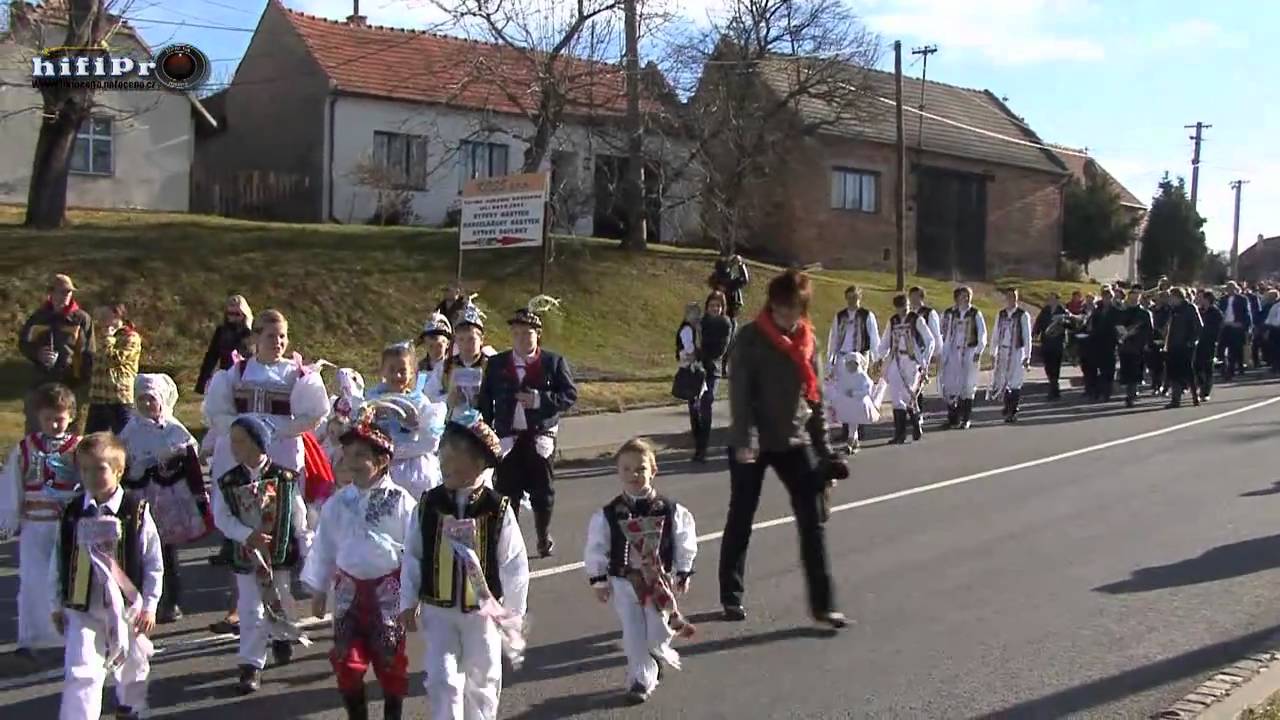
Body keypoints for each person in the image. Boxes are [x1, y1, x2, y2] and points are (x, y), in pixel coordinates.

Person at [721, 269, 846, 628]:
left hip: (793, 439)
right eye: (781, 309)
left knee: (812, 521)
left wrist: (825, 452)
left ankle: (824, 606)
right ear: (771, 305)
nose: (787, 316)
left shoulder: (808, 342)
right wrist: (747, 441)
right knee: (742, 515)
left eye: (794, 309)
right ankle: (731, 594)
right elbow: (741, 397)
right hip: (754, 440)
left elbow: (815, 400)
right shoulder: (751, 339)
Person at [399, 412, 529, 720]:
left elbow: (514, 564)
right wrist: (408, 600)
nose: (445, 465)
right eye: (443, 458)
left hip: (482, 613)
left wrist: (513, 611)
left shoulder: (497, 509)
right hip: (438, 610)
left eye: (453, 459)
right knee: (442, 677)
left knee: (483, 677)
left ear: (477, 464)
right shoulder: (429, 505)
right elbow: (413, 554)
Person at [302, 420, 416, 720]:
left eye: (359, 456)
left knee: (390, 659)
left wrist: (413, 597)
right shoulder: (338, 503)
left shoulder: (401, 501)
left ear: (382, 461)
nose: (349, 462)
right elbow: (324, 546)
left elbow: (416, 551)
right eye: (346, 454)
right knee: (346, 662)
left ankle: (393, 714)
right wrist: (318, 588)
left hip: (388, 591)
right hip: (348, 592)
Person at [51, 433, 162, 720]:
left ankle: (131, 708)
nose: (90, 476)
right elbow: (58, 559)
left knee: (134, 665)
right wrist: (57, 603)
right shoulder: (73, 512)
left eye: (99, 468)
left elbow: (152, 561)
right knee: (82, 668)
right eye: (84, 469)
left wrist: (149, 604)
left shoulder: (136, 511)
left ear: (118, 470)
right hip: (83, 607)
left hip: (128, 608)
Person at [583, 438, 696, 705]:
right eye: (626, 468)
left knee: (658, 630)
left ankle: (656, 653)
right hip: (624, 581)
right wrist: (599, 580)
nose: (634, 474)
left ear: (653, 471)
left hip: (660, 582)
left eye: (640, 468)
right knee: (633, 633)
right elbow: (596, 546)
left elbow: (684, 539)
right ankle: (640, 679)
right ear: (618, 472)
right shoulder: (609, 514)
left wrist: (683, 571)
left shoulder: (670, 510)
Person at [211, 415, 312, 694]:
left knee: (282, 596)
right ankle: (250, 665)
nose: (234, 447)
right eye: (233, 441)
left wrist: (306, 547)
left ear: (259, 443)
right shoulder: (229, 481)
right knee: (250, 608)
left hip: (278, 554)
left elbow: (298, 515)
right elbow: (221, 516)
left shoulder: (285, 477)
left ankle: (280, 635)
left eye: (240, 441)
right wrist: (247, 535)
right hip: (246, 556)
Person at [476, 300, 578, 558]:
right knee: (507, 492)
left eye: (527, 333)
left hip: (539, 436)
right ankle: (511, 541)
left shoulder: (554, 362)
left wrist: (541, 401)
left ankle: (543, 536)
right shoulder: (497, 363)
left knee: (542, 493)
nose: (522, 338)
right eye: (517, 333)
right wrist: (486, 430)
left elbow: (569, 396)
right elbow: (486, 400)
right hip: (507, 437)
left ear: (537, 335)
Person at [118, 374, 210, 624]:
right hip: (140, 500)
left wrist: (172, 459)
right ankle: (139, 601)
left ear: (162, 400)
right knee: (138, 552)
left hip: (168, 503)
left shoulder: (173, 428)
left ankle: (172, 601)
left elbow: (191, 456)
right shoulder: (131, 430)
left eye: (152, 399)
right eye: (142, 399)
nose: (147, 405)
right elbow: (121, 459)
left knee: (166, 555)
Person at [0, 382, 82, 663]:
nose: (54, 424)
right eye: (48, 418)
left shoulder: (79, 448)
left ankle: (72, 635)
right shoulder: (25, 448)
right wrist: (9, 518)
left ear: (71, 415)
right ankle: (30, 637)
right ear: (39, 417)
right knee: (32, 580)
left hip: (67, 526)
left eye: (59, 418)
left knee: (67, 579)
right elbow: (12, 484)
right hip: (35, 524)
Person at [202, 309, 331, 483]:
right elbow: (218, 412)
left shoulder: (295, 373)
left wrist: (280, 431)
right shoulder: (238, 371)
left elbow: (313, 415)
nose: (278, 342)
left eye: (282, 336)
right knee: (238, 494)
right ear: (256, 338)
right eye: (271, 336)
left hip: (281, 446)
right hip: (242, 445)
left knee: (281, 495)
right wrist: (241, 431)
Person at [365, 343, 446, 500]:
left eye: (402, 371)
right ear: (382, 371)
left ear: (412, 373)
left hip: (413, 466)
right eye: (392, 370)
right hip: (381, 464)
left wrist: (415, 425)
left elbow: (430, 440)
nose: (397, 376)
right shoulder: (372, 399)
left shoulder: (420, 401)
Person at [18, 274, 94, 432]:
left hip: (71, 383)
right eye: (62, 291)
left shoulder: (81, 319)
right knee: (36, 431)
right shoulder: (38, 318)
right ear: (50, 293)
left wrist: (83, 380)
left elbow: (90, 352)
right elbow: (24, 344)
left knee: (69, 433)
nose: (66, 296)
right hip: (42, 382)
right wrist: (38, 353)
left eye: (69, 292)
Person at [825, 286, 879, 452]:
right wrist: (830, 362)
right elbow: (833, 339)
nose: (851, 300)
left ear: (859, 297)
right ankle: (848, 433)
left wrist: (876, 361)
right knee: (844, 395)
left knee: (857, 395)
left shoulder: (867, 315)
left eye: (854, 297)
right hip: (842, 358)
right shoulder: (839, 316)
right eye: (849, 297)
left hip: (859, 358)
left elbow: (874, 338)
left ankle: (854, 434)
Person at [876, 294, 935, 443]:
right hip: (896, 360)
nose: (904, 309)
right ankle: (899, 434)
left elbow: (930, 341)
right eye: (900, 306)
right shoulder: (893, 321)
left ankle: (916, 424)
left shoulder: (916, 319)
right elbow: (884, 341)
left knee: (909, 396)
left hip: (911, 361)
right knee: (896, 397)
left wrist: (924, 360)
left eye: (906, 306)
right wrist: (880, 357)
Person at [84, 303, 142, 435]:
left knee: (125, 437)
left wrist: (108, 339)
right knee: (93, 439)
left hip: (119, 397)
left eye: (105, 316)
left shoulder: (130, 337)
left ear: (117, 316)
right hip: (98, 397)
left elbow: (115, 359)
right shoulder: (99, 335)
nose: (101, 320)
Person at [429, 303, 490, 422]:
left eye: (471, 339)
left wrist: (484, 400)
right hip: (453, 426)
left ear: (481, 340)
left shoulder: (491, 365)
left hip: (483, 425)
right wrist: (447, 399)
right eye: (461, 339)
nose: (466, 345)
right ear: (456, 340)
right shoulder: (445, 366)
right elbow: (428, 396)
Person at [939, 286, 986, 429]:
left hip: (969, 351)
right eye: (962, 296)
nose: (965, 299)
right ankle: (953, 417)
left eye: (967, 296)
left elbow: (982, 333)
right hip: (952, 351)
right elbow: (941, 331)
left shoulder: (975, 313)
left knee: (967, 385)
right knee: (950, 384)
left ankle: (966, 418)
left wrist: (979, 350)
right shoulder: (949, 313)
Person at [696, 291, 732, 461]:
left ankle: (703, 447)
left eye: (718, 306)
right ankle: (698, 444)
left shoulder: (725, 323)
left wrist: (704, 357)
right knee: (694, 408)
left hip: (712, 369)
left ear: (722, 308)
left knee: (707, 402)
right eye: (712, 305)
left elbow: (721, 350)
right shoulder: (700, 322)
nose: (715, 309)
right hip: (696, 369)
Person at [988, 288, 1033, 423]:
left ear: (1017, 298)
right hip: (1003, 350)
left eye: (1013, 297)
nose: (1010, 299)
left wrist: (1027, 355)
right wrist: (992, 351)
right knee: (1003, 380)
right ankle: (1007, 406)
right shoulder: (1001, 314)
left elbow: (1027, 336)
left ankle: (1013, 409)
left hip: (1016, 351)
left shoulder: (1022, 315)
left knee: (1015, 381)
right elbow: (996, 333)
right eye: (1008, 296)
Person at [196, 295, 254, 395]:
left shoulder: (251, 334)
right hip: (226, 376)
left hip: (247, 378)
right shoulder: (222, 332)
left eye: (237, 314)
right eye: (230, 314)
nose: (233, 317)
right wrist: (203, 382)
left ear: (244, 314)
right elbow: (211, 357)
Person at [908, 286, 944, 419]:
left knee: (918, 383)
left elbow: (935, 335)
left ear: (921, 297)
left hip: (923, 352)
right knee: (908, 384)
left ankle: (918, 413)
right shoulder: (908, 314)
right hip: (909, 352)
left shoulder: (929, 313)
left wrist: (935, 354)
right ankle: (912, 411)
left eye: (915, 296)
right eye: (911, 296)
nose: (912, 299)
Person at [1165, 288, 1204, 409]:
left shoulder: (1190, 308)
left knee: (1188, 371)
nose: (1170, 299)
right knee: (1173, 372)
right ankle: (1175, 399)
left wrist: (1191, 341)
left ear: (1178, 297)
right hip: (1173, 345)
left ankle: (1195, 396)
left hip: (1186, 346)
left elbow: (1199, 326)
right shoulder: (1172, 310)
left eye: (1171, 297)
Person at [676, 302, 706, 457]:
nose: (696, 317)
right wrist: (698, 354)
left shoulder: (694, 329)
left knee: (697, 405)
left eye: (697, 313)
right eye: (693, 314)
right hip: (691, 370)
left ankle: (700, 441)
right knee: (695, 406)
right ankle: (699, 441)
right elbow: (689, 350)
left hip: (694, 368)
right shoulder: (687, 329)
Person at [1116, 289, 1154, 408]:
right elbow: (1117, 326)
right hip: (1125, 345)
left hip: (1138, 346)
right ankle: (1130, 391)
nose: (1133, 301)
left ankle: (1131, 395)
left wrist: (1147, 343)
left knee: (1135, 370)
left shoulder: (1144, 313)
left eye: (1135, 298)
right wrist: (1121, 334)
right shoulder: (1123, 312)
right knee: (1126, 370)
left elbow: (1149, 330)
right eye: (1131, 298)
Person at [1032, 292, 1070, 401]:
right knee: (1048, 366)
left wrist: (1064, 321)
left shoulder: (1062, 311)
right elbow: (1038, 323)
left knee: (1055, 366)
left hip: (1058, 342)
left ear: (1058, 300)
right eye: (1050, 299)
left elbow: (1069, 324)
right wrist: (1035, 333)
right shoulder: (1045, 310)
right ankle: (1053, 386)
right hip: (1046, 342)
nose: (1051, 301)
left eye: (1053, 299)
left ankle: (1054, 389)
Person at [1084, 289, 1120, 402]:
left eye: (1109, 297)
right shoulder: (1097, 311)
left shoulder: (1115, 311)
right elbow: (1090, 325)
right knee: (1096, 369)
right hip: (1097, 343)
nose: (1106, 299)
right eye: (1104, 297)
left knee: (1108, 370)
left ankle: (1106, 393)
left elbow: (1119, 326)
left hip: (1110, 343)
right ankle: (1096, 392)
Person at [1219, 281, 1252, 380]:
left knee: (1235, 349)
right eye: (1228, 288)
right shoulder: (1223, 300)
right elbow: (1220, 312)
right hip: (1225, 326)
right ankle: (1225, 368)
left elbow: (1246, 313)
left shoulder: (1242, 299)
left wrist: (1245, 326)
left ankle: (1232, 370)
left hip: (1236, 326)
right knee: (1222, 348)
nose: (1229, 290)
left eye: (1231, 288)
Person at [1196, 290, 1225, 401]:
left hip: (1210, 342)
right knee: (1197, 366)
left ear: (1207, 299)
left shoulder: (1216, 312)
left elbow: (1219, 328)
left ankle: (1205, 392)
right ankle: (1200, 384)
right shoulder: (1199, 311)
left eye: (1201, 298)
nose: (1199, 300)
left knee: (1208, 367)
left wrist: (1217, 340)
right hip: (1198, 342)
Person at [709, 249, 750, 327]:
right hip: (730, 314)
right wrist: (740, 265)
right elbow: (744, 280)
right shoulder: (730, 284)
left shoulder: (716, 281)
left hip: (719, 313)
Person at [1147, 292, 1172, 396]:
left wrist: (1164, 331)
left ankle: (1163, 386)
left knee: (1164, 365)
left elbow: (1169, 322)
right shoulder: (1152, 309)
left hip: (1166, 338)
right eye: (1161, 297)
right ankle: (1155, 385)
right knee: (1153, 364)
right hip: (1153, 338)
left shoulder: (1170, 309)